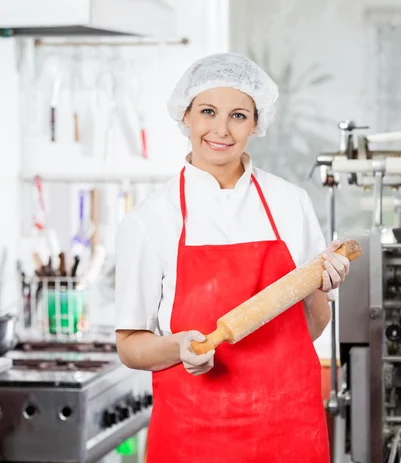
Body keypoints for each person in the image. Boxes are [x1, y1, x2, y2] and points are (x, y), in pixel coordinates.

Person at [114, 53, 351, 463]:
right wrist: (177, 348)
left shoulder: (290, 203)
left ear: (256, 124)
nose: (221, 129)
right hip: (193, 434)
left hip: (288, 430)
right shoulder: (151, 219)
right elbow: (130, 346)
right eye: (208, 111)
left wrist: (324, 283)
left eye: (238, 115)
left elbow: (307, 327)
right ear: (186, 116)